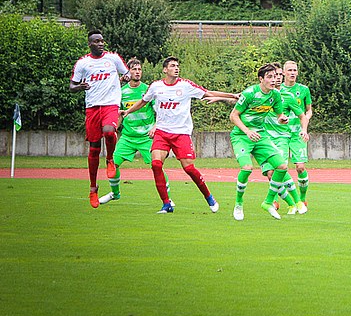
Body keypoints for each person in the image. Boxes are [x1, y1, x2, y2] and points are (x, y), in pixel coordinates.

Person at [120, 56, 235, 214]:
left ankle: (209, 197)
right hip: (162, 132)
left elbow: (207, 93)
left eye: (177, 66)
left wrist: (232, 95)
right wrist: (127, 111)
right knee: (156, 164)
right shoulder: (156, 86)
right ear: (165, 70)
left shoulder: (185, 85)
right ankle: (166, 204)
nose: (176, 68)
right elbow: (143, 101)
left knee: (189, 168)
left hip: (181, 133)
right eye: (173, 66)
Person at [229, 63, 302, 221]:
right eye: (269, 77)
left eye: (275, 76)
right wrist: (247, 131)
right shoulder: (250, 93)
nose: (273, 80)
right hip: (241, 136)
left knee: (282, 166)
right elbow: (233, 116)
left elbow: (279, 115)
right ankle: (238, 204)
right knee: (247, 168)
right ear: (261, 79)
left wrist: (282, 119)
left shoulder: (275, 95)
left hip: (260, 135)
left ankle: (268, 202)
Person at [69, 30, 129, 208]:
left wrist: (126, 77)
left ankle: (110, 159)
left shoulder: (113, 58)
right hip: (92, 107)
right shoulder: (83, 63)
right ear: (90, 44)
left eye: (102, 41)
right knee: (94, 149)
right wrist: (80, 86)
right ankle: (93, 188)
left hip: (110, 104)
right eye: (97, 41)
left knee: (109, 132)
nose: (101, 44)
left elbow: (126, 73)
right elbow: (72, 86)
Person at [99, 58, 169, 205]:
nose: (137, 72)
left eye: (139, 69)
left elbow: (161, 111)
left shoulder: (148, 90)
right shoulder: (121, 92)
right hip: (128, 137)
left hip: (146, 137)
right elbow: (119, 114)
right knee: (112, 164)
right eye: (134, 69)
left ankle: (167, 200)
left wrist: (155, 126)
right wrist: (113, 130)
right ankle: (115, 194)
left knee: (157, 166)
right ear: (128, 72)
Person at [281, 60, 313, 211]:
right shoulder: (277, 90)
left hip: (297, 133)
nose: (292, 73)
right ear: (283, 73)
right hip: (280, 133)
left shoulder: (303, 89)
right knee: (279, 167)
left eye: (294, 70)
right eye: (289, 70)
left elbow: (309, 110)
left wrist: (305, 123)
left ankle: (302, 198)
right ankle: (275, 200)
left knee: (300, 167)